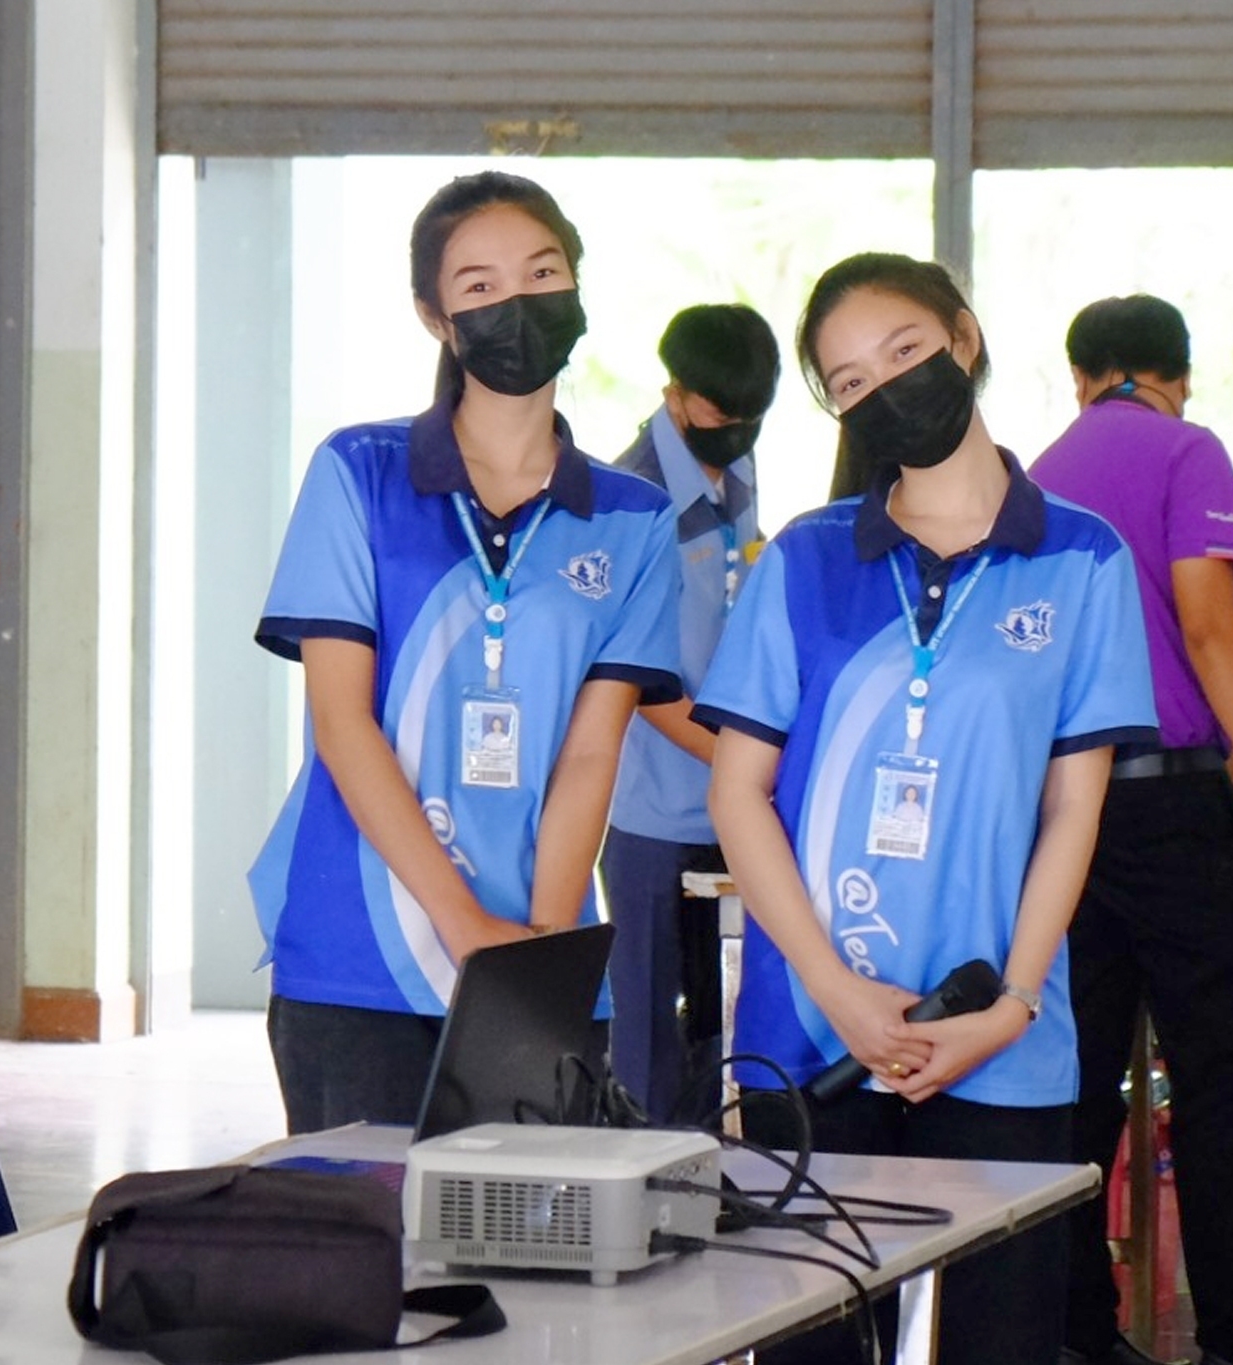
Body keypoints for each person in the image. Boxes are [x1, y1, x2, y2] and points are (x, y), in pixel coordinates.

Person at [694, 253, 1157, 1365]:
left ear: (962, 338)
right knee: (809, 1344)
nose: (884, 386)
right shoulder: (804, 558)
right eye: (849, 382)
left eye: (902, 352)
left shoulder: (1083, 557)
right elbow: (736, 791)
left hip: (1000, 1036)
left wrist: (1013, 1002)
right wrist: (837, 991)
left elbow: (1071, 811)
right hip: (813, 1034)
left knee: (1000, 1340)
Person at [248, 171, 683, 1135]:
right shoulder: (357, 474)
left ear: (575, 292)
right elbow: (341, 722)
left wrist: (530, 955)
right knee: (367, 1261)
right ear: (435, 316)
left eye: (541, 273)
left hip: (536, 954)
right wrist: (462, 926)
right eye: (479, 286)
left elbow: (589, 752)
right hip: (357, 954)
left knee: (531, 1270)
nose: (515, 302)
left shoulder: (633, 520)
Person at [1029, 294, 1233, 1365]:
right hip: (1174, 809)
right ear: (1178, 374)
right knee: (1214, 1087)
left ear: (1079, 375)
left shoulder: (1033, 473)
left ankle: (1075, 1333)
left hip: (1064, 813)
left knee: (1075, 1088)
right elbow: (1208, 625)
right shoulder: (1187, 451)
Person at [601, 303, 780, 1124]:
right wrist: (750, 764)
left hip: (724, 793)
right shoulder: (634, 495)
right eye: (721, 411)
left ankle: (702, 1185)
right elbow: (645, 684)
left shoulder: (736, 479)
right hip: (651, 805)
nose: (737, 427)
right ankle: (638, 1195)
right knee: (647, 1029)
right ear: (675, 392)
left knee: (713, 1022)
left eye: (753, 413)